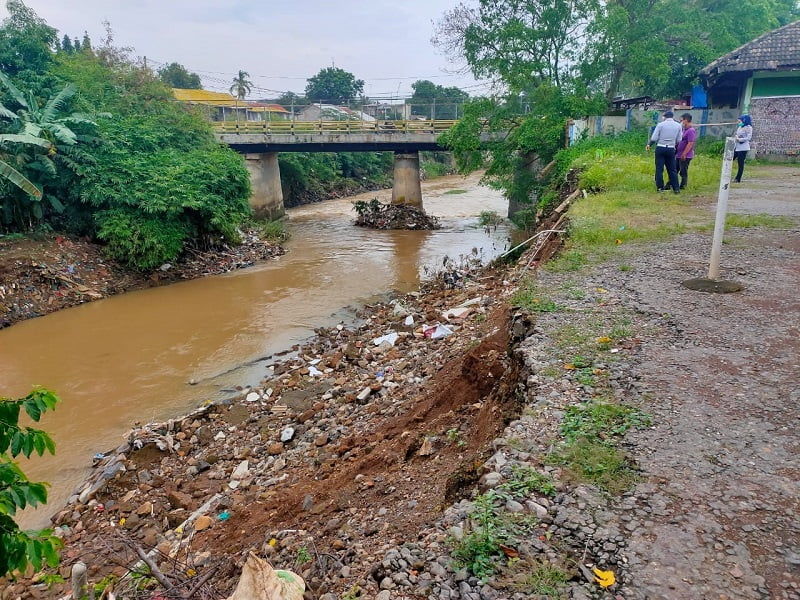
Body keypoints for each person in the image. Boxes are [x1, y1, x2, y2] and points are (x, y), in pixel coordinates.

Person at [646, 110, 683, 193]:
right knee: (672, 169)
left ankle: (660, 188)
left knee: (659, 169)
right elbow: (679, 139)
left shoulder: (660, 125)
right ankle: (676, 189)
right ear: (672, 116)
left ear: (665, 116)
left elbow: (654, 138)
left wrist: (649, 144)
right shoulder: (678, 126)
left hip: (660, 148)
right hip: (671, 149)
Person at [677, 113, 697, 189]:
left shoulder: (691, 130)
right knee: (675, 170)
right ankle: (671, 184)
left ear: (686, 120)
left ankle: (683, 185)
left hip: (685, 155)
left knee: (683, 171)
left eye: (682, 120)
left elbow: (690, 143)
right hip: (679, 154)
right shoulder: (684, 130)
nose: (681, 122)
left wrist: (684, 153)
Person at [733, 114, 753, 183]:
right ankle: (726, 175)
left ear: (744, 120)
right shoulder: (740, 127)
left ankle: (738, 178)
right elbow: (737, 134)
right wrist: (736, 137)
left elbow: (748, 138)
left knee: (740, 163)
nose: (739, 122)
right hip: (737, 147)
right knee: (730, 158)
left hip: (743, 148)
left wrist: (740, 139)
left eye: (740, 121)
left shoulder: (748, 127)